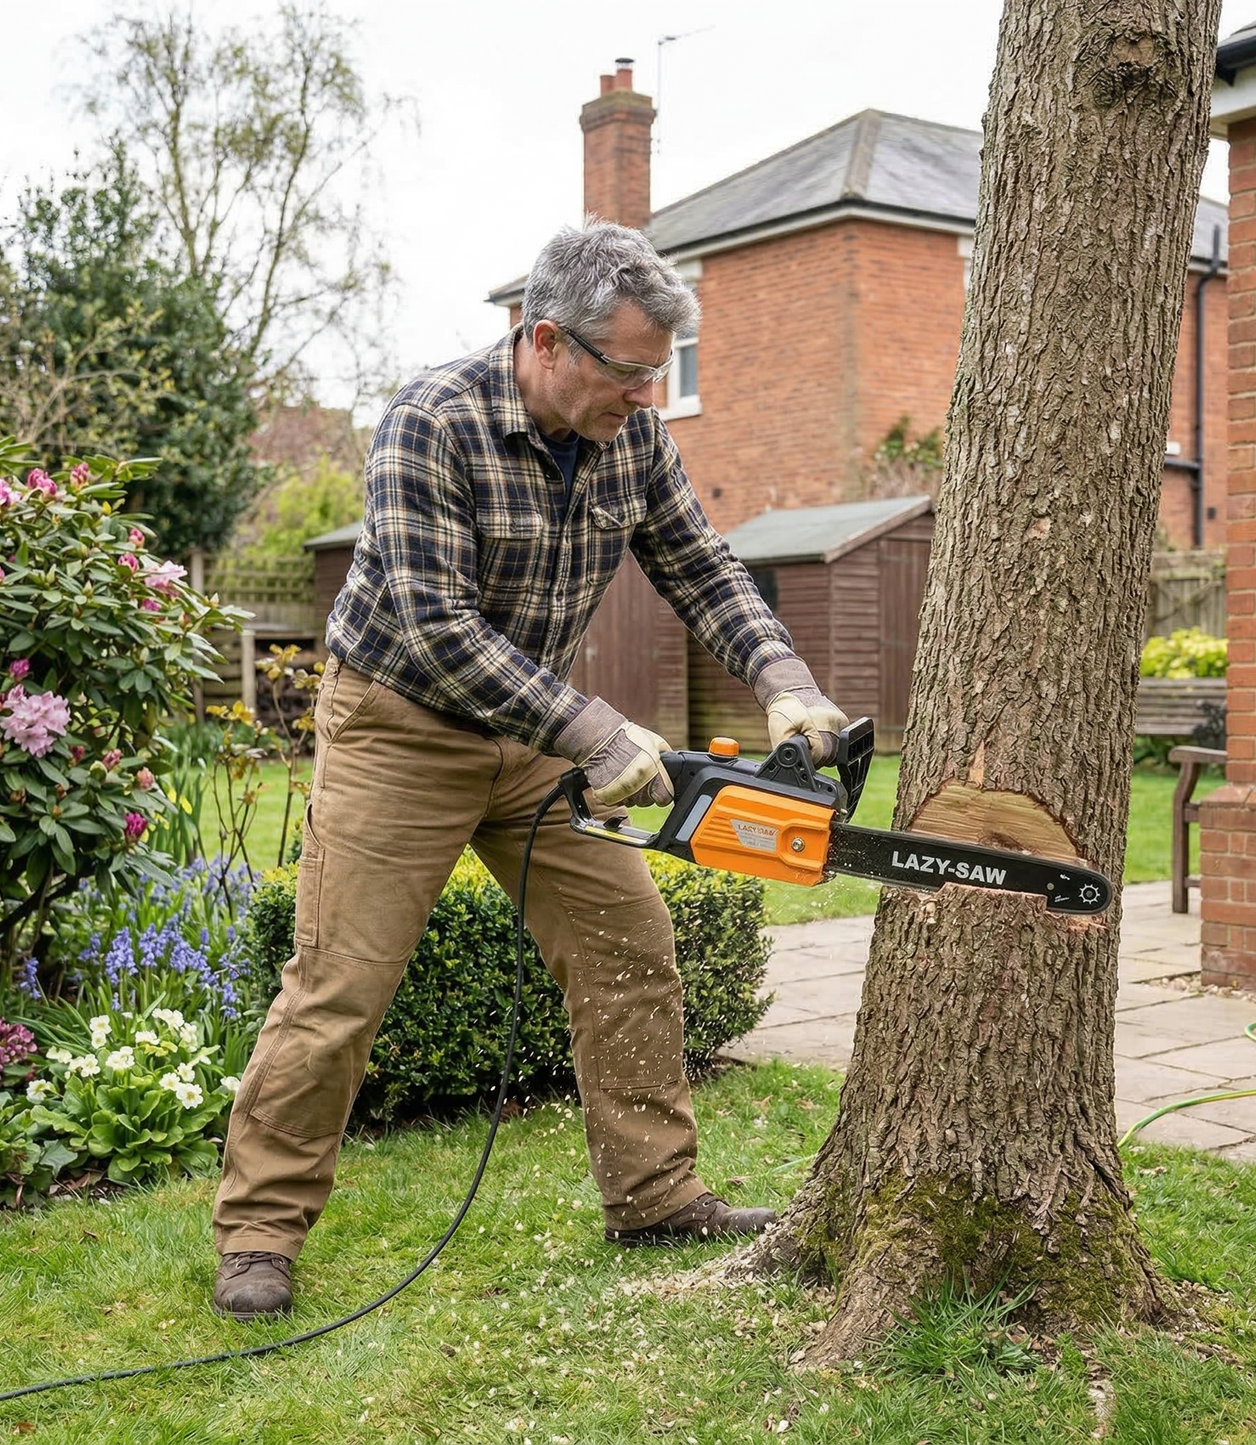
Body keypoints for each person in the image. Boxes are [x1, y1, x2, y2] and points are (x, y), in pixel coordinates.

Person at [211, 220, 847, 1321]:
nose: (649, 396)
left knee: (629, 948)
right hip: (399, 729)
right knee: (338, 987)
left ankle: (653, 1193)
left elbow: (702, 567)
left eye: (661, 373)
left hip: (535, 738)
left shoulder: (631, 440)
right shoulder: (431, 421)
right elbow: (435, 627)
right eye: (633, 371)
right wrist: (600, 733)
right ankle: (259, 1230)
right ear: (547, 340)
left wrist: (784, 677)